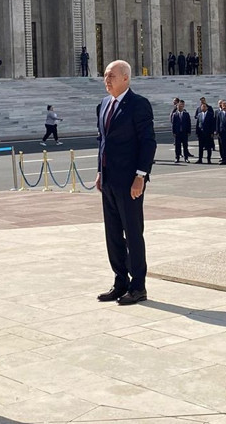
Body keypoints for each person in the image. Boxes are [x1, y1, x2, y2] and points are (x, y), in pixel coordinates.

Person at [95, 60, 156, 306]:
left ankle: (138, 286)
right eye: (105, 75)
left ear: (126, 78)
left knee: (132, 233)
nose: (106, 79)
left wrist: (140, 176)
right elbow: (102, 141)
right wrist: (101, 171)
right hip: (109, 180)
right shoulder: (103, 105)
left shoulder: (138, 105)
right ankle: (120, 281)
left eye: (111, 75)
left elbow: (148, 142)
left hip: (130, 180)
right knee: (112, 234)